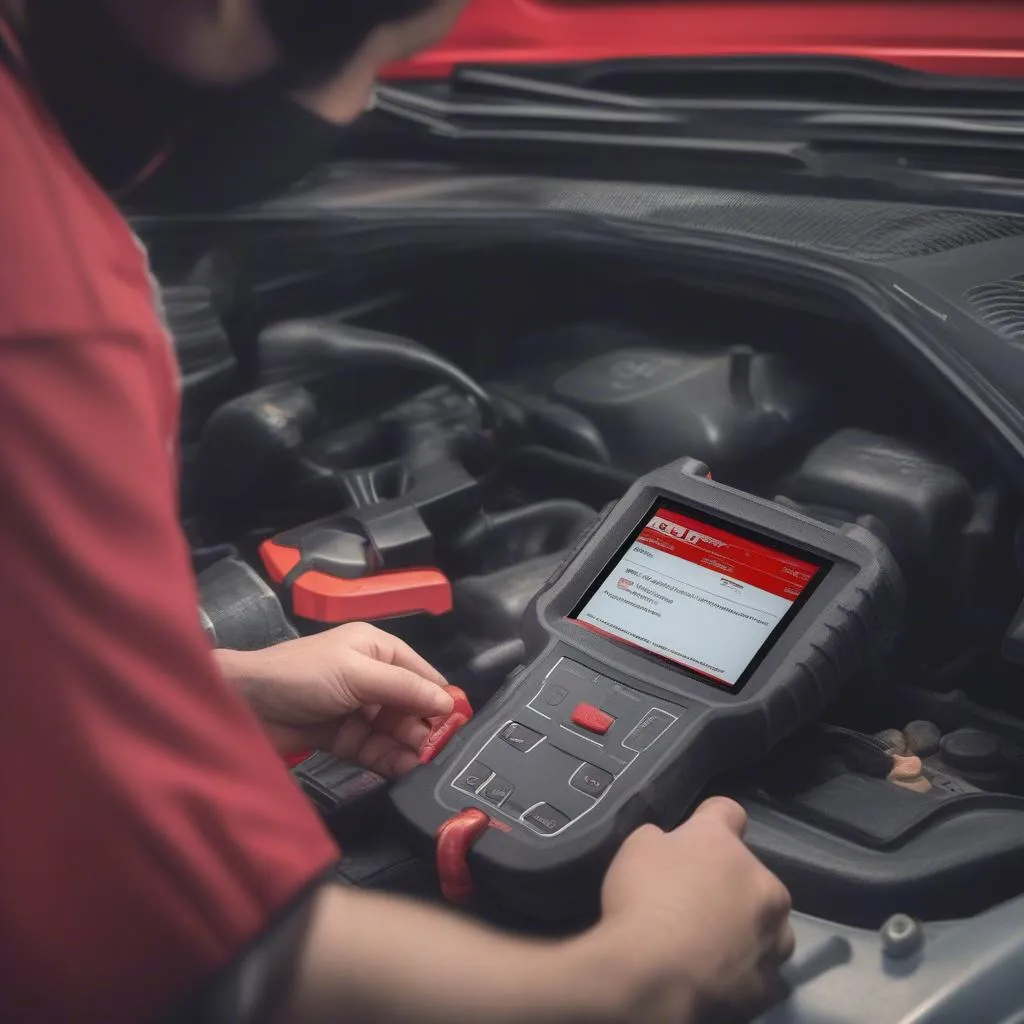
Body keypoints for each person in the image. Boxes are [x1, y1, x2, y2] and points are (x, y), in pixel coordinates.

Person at [0, 2, 796, 1022]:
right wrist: (648, 974)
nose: (363, 99)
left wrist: (202, 692)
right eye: (388, 51)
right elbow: (201, 971)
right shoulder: (41, 303)